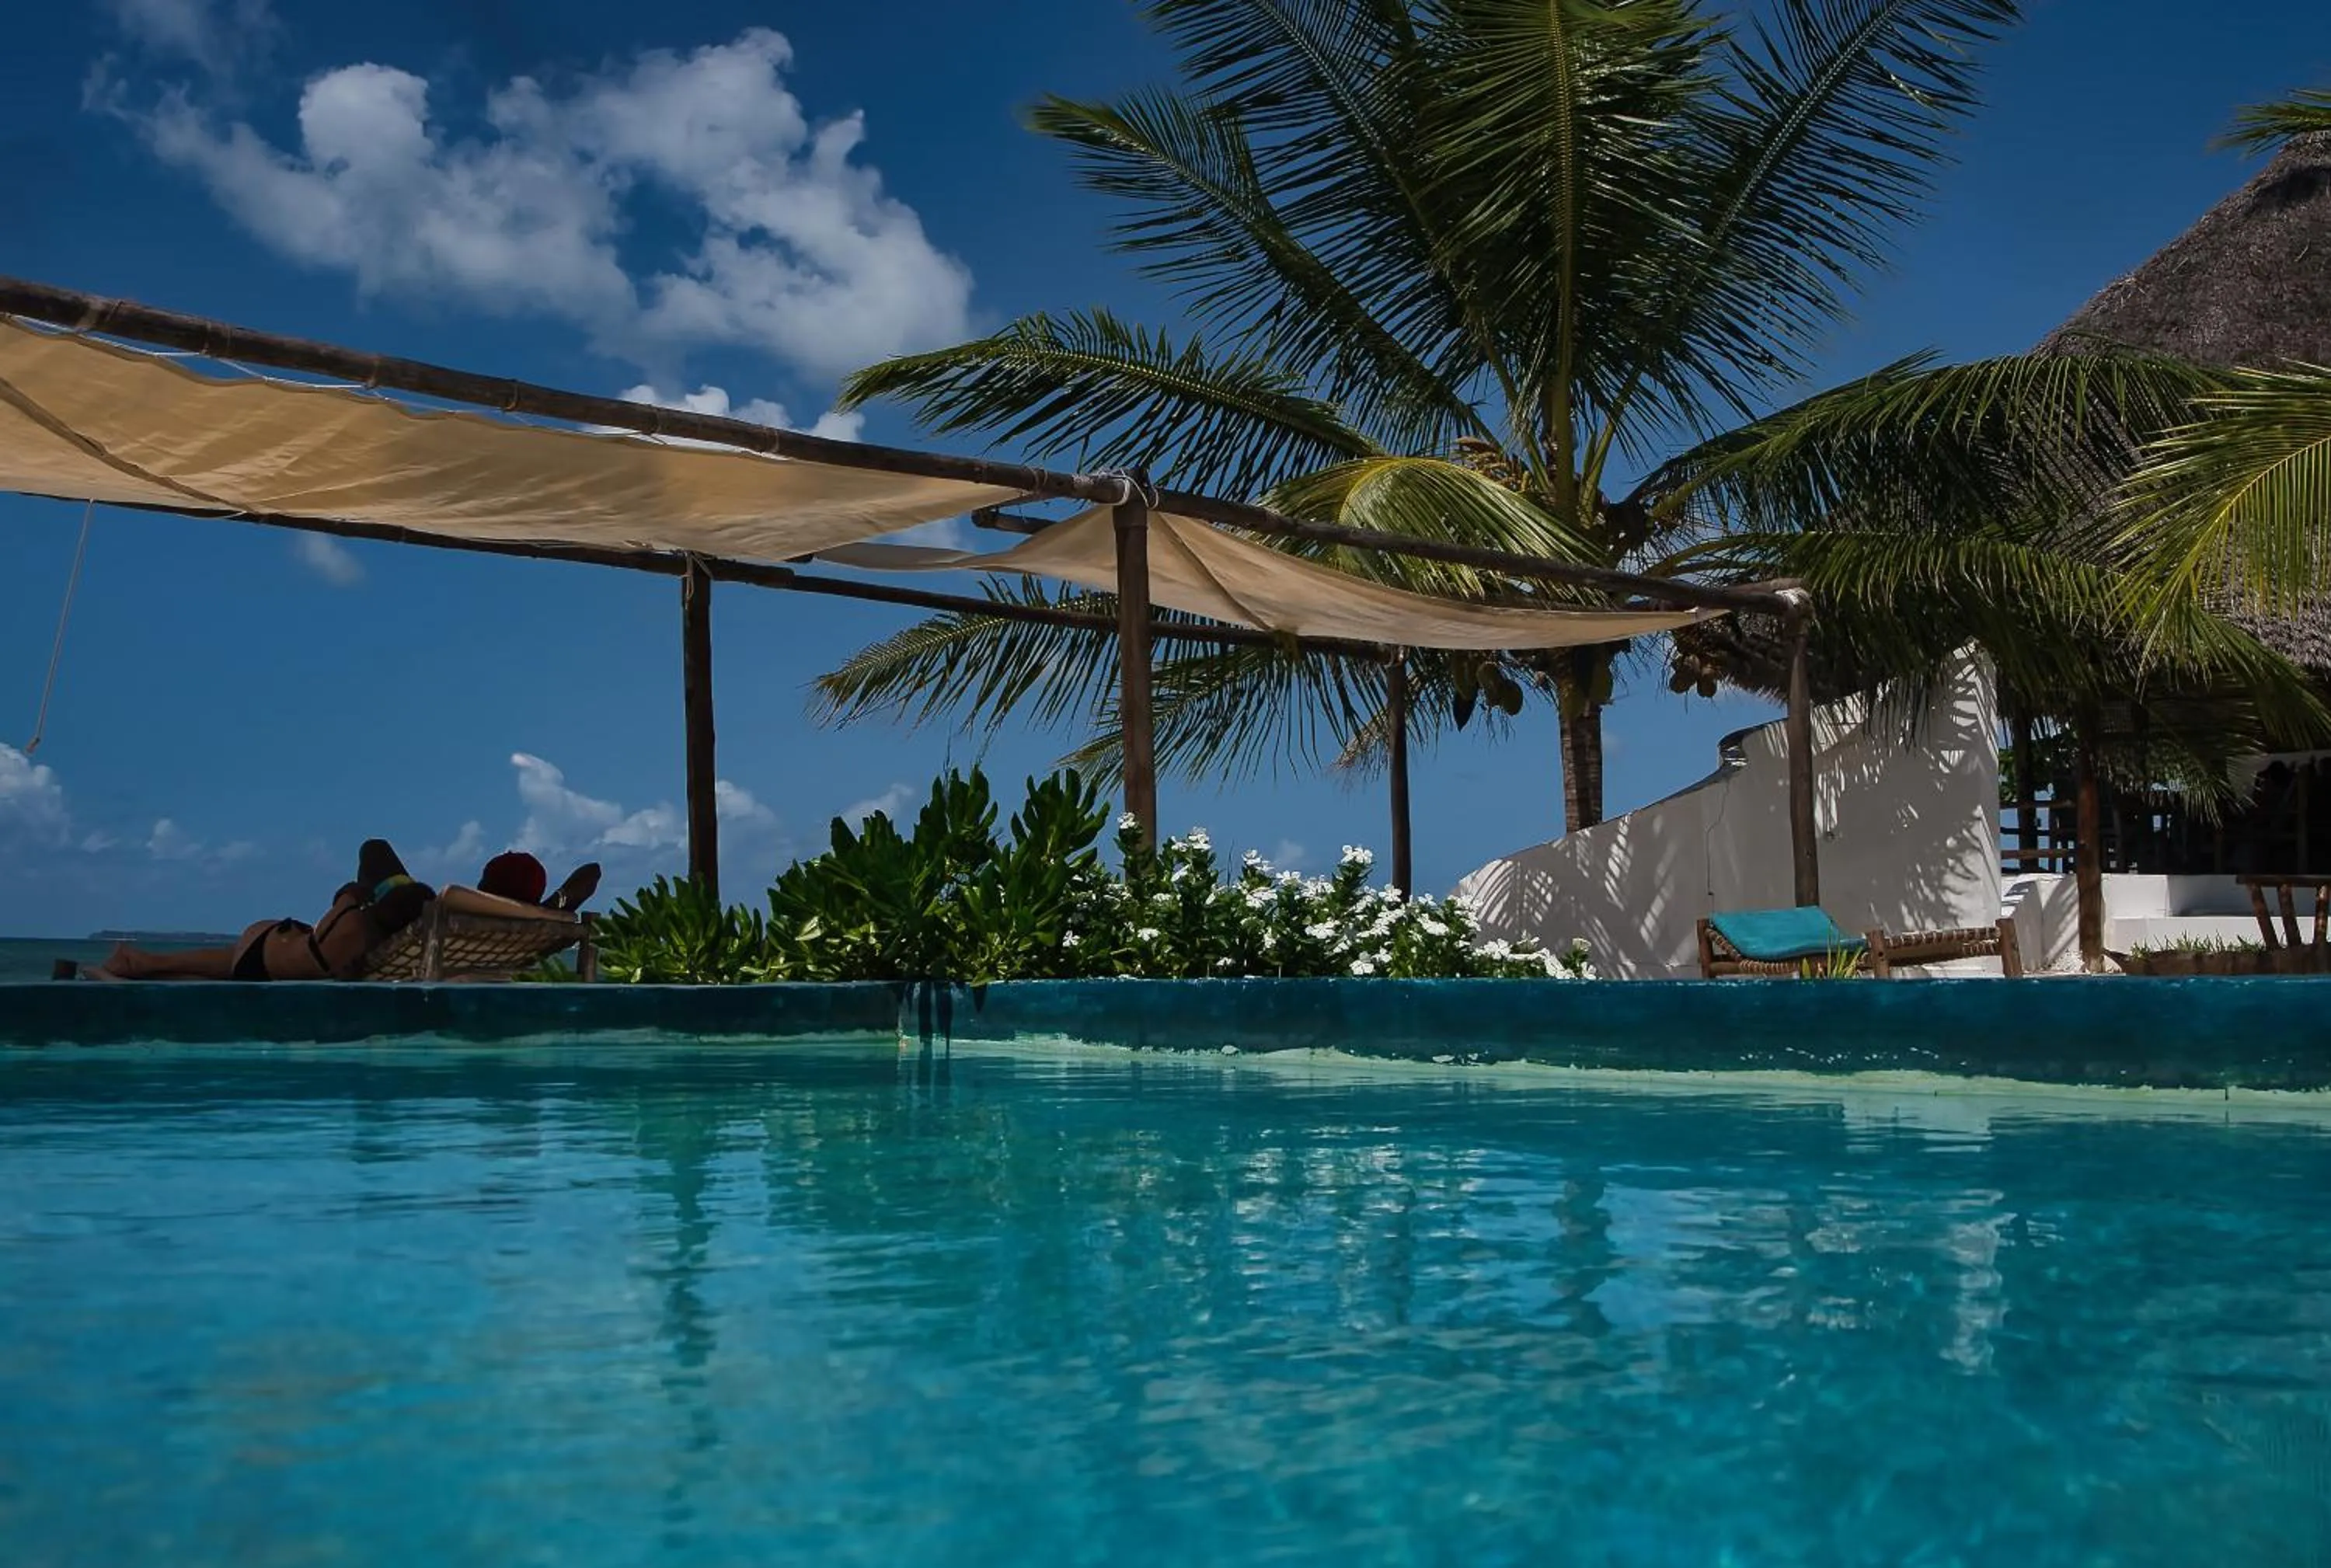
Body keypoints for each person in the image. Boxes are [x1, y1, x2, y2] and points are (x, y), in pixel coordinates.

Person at [85, 840, 434, 981]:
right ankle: (136, 962)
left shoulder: (354, 922)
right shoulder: (378, 946)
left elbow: (329, 921)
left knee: (188, 966)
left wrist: (354, 895)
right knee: (191, 965)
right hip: (265, 957)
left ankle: (132, 961)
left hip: (263, 949)